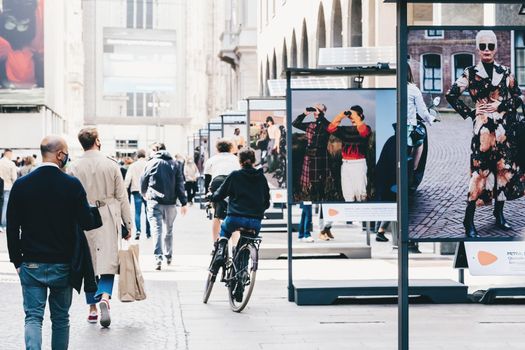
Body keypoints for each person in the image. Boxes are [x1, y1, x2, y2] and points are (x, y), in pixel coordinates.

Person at [6, 136, 100, 350]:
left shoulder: (22, 185)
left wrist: (17, 261)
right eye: (66, 152)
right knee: (60, 319)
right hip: (63, 264)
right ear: (60, 154)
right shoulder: (71, 185)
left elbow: (12, 228)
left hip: (31, 262)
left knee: (33, 318)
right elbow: (86, 222)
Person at [446, 30, 525, 238]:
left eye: (491, 46)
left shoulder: (505, 72)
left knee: (502, 172)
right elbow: (451, 94)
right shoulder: (470, 72)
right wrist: (471, 112)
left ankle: (499, 215)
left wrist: (502, 103)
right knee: (479, 174)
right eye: (483, 46)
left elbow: (518, 98)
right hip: (482, 134)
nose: (487, 50)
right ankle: (468, 220)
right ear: (478, 48)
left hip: (503, 132)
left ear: (496, 48)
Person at [68, 128, 133, 327]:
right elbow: (122, 197)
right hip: (107, 214)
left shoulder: (74, 167)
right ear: (97, 141)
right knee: (109, 261)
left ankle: (93, 309)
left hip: (83, 216)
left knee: (89, 263)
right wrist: (128, 224)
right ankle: (105, 296)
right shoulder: (111, 164)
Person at [209, 148, 270, 267]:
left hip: (235, 218)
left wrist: (212, 197)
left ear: (239, 161)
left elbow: (219, 194)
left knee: (225, 230)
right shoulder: (261, 177)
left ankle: (221, 251)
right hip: (254, 222)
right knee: (248, 240)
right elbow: (266, 201)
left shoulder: (235, 175)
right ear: (254, 161)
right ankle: (242, 270)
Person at [141, 143, 188, 270]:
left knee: (157, 230)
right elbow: (180, 184)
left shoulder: (150, 163)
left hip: (154, 201)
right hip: (171, 203)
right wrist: (183, 202)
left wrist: (144, 193)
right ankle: (169, 256)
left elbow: (143, 180)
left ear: (155, 150)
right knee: (169, 230)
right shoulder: (174, 163)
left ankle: (158, 258)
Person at [327, 105, 372, 202]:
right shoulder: (344, 130)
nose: (351, 116)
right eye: (350, 115)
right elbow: (330, 128)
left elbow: (364, 132)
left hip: (359, 164)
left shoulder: (366, 128)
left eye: (354, 114)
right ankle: (351, 216)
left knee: (361, 194)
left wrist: (355, 115)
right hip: (346, 164)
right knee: (348, 194)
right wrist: (341, 116)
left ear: (361, 115)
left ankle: (362, 215)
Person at [203, 139, 239, 243]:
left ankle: (216, 244)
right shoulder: (236, 159)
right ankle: (235, 245)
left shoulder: (212, 159)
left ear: (217, 149)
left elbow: (207, 179)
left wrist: (208, 195)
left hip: (217, 184)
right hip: (233, 183)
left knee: (217, 215)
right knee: (234, 214)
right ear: (230, 148)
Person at [292, 104, 331, 201]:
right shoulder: (310, 124)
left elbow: (329, 127)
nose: (316, 111)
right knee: (309, 182)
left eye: (319, 109)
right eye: (315, 109)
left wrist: (320, 116)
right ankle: (310, 199)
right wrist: (304, 114)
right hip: (309, 155)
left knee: (320, 182)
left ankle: (321, 202)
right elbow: (295, 124)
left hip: (320, 156)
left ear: (324, 112)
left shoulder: (327, 125)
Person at [407, 64, 436, 171]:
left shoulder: (394, 88)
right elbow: (422, 111)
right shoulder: (413, 89)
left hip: (395, 126)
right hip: (408, 126)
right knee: (419, 143)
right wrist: (430, 118)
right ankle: (413, 171)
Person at [124, 149, 150, 240]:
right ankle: (148, 232)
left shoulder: (133, 166)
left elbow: (127, 179)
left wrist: (125, 189)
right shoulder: (148, 164)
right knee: (148, 212)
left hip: (136, 191)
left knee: (137, 212)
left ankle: (138, 231)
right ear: (145, 155)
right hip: (147, 191)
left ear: (137, 156)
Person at [0, 148, 17, 232]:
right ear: (8, 154)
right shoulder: (11, 164)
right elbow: (14, 178)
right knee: (5, 206)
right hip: (7, 187)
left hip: (0, 186)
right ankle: (3, 224)